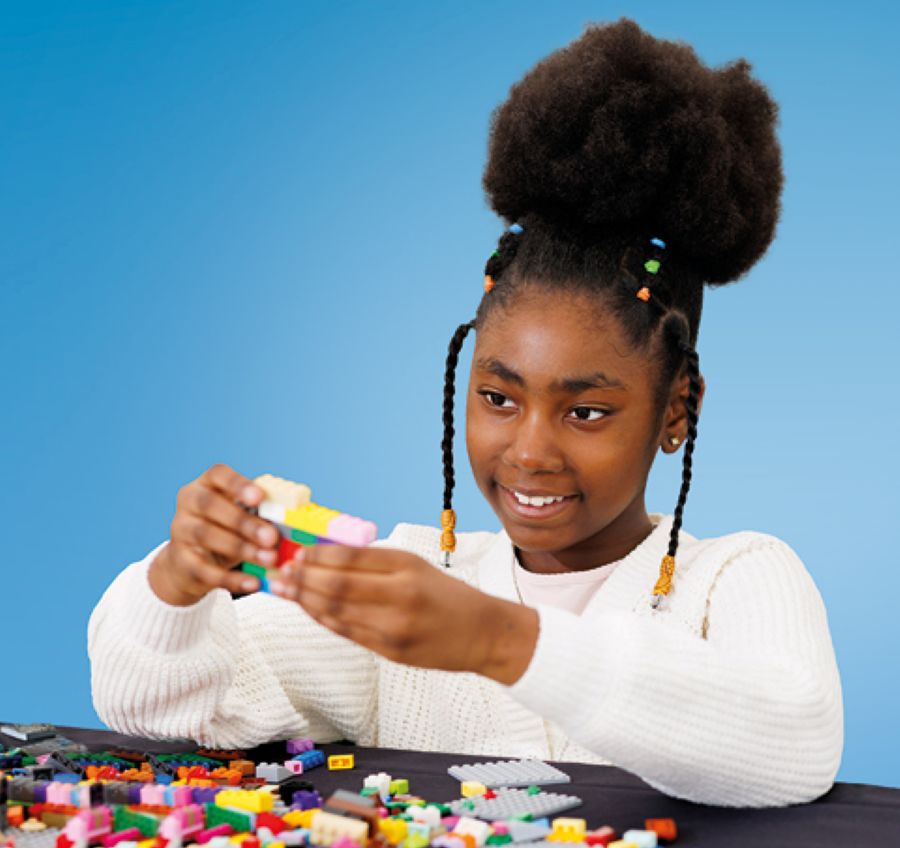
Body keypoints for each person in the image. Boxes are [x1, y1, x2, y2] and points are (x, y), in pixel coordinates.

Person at [88, 17, 843, 808]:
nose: (529, 451)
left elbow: (794, 744)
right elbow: (160, 708)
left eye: (586, 411)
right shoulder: (412, 584)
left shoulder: (735, 578)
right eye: (497, 398)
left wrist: (495, 639)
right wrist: (179, 582)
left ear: (676, 408)